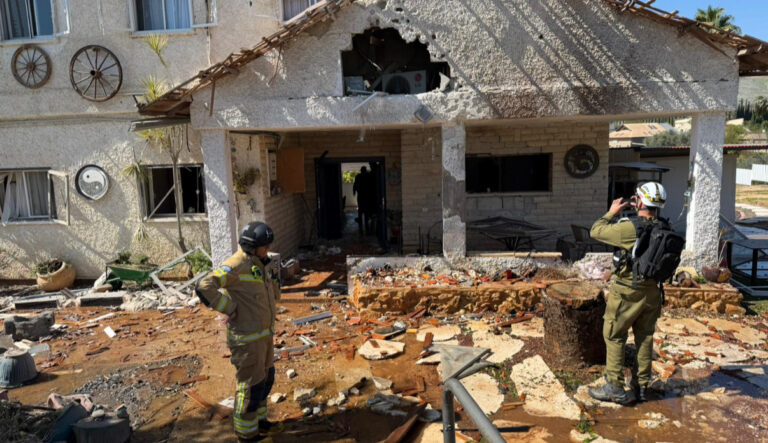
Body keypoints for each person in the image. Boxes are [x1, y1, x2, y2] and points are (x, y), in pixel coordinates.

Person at [195, 222, 283, 442]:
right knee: (251, 387)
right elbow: (205, 285)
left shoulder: (260, 263)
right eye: (265, 246)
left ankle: (259, 422)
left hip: (264, 336)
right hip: (247, 339)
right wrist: (229, 308)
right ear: (252, 247)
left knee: (265, 381)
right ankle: (246, 433)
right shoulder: (236, 265)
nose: (269, 249)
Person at [588, 182, 669, 406]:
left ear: (640, 202)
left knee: (614, 335)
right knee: (645, 338)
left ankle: (614, 387)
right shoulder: (665, 227)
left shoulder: (629, 228)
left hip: (627, 291)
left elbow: (595, 231)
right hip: (652, 292)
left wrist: (612, 212)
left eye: (637, 198)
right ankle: (641, 387)